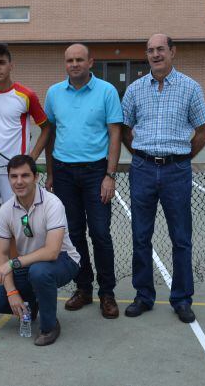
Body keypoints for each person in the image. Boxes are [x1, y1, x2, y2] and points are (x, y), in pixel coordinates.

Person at [121, 34, 205, 323]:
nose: (155, 54)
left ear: (173, 52)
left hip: (176, 172)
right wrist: (140, 156)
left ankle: (182, 299)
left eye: (161, 49)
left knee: (181, 238)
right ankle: (143, 296)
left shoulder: (190, 88)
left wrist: (180, 158)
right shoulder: (134, 89)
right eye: (150, 50)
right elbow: (125, 129)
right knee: (140, 236)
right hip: (143, 169)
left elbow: (203, 132)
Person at [43, 44, 122, 319]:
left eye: (79, 59)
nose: (74, 64)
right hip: (64, 173)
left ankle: (107, 293)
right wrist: (51, 173)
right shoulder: (53, 93)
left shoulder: (107, 92)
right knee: (73, 235)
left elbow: (115, 134)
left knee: (100, 233)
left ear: (91, 62)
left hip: (95, 172)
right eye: (69, 60)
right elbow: (50, 134)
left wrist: (109, 175)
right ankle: (84, 288)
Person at [0, 155, 80, 346]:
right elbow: (1, 253)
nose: (19, 181)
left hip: (64, 261)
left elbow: (51, 252)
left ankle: (49, 326)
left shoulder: (52, 203)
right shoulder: (6, 210)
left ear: (35, 177)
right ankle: (31, 303)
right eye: (13, 176)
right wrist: (11, 292)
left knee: (39, 272)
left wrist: (12, 263)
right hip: (28, 264)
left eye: (25, 175)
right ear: (8, 179)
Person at [0, 43, 50, 283]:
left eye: (1, 63)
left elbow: (46, 128)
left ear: (10, 65)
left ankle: (18, 278)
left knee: (18, 231)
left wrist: (31, 159)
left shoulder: (26, 95)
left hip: (13, 176)